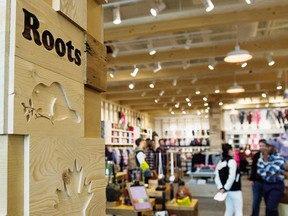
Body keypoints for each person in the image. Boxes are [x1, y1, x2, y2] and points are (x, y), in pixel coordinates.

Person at [257, 139, 285, 216]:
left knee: (271, 207)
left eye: (268, 146)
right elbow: (260, 172)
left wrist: (265, 160)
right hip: (266, 185)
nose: (265, 148)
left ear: (274, 147)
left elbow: (271, 171)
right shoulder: (261, 158)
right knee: (269, 209)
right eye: (266, 146)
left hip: (277, 186)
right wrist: (268, 173)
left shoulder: (279, 158)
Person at [215, 143, 243, 216]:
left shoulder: (220, 162)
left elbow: (217, 176)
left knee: (229, 210)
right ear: (230, 151)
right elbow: (232, 177)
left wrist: (221, 187)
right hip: (235, 189)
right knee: (238, 210)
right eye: (233, 150)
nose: (234, 151)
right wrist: (225, 188)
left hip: (226, 191)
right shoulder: (232, 161)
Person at [249, 139, 266, 216]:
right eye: (260, 146)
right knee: (256, 201)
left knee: (268, 201)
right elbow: (253, 168)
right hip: (257, 182)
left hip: (266, 182)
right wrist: (251, 179)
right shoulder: (256, 155)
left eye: (263, 145)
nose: (261, 147)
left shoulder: (269, 155)